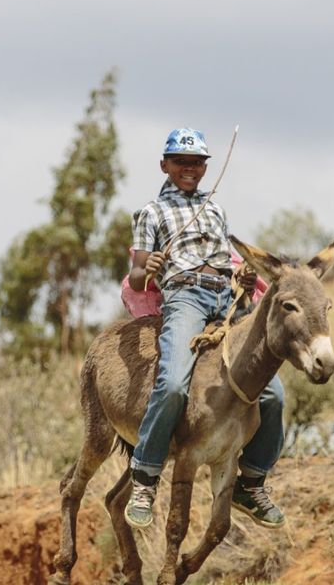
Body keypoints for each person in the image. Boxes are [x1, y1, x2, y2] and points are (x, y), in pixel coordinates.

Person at [123, 127, 287, 530]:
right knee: (174, 383)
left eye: (197, 163)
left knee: (272, 394)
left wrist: (244, 282)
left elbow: (227, 262)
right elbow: (137, 275)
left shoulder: (216, 210)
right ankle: (144, 476)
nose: (190, 169)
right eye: (181, 162)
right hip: (185, 299)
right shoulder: (151, 213)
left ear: (206, 167)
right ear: (165, 165)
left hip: (226, 301)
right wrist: (150, 270)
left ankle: (252, 479)